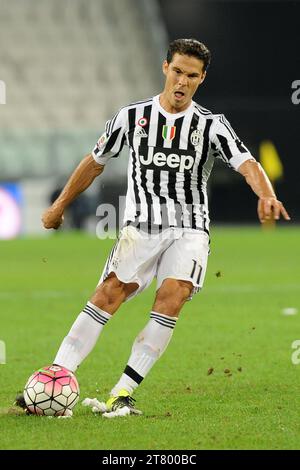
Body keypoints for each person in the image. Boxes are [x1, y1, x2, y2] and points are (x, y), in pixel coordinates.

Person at [16, 38, 290, 417]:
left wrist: (266, 194)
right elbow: (95, 161)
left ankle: (123, 392)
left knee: (172, 297)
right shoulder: (131, 117)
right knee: (109, 294)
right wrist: (60, 205)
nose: (182, 81)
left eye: (191, 76)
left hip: (191, 229)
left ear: (201, 79)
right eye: (177, 71)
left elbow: (247, 163)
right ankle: (57, 375)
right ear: (165, 68)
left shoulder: (211, 125)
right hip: (140, 228)